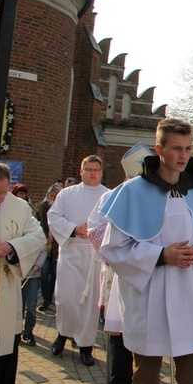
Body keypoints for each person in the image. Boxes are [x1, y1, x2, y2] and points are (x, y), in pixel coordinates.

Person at [99, 118, 193, 384]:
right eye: (177, 148)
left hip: (188, 298)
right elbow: (114, 248)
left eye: (189, 149)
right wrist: (160, 255)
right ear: (159, 149)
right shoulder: (132, 192)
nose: (183, 156)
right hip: (148, 300)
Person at [88, 143, 152, 384]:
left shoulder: (160, 197)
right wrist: (122, 250)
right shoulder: (111, 196)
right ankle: (121, 383)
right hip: (119, 271)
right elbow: (94, 229)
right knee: (119, 327)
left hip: (151, 269)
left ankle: (145, 380)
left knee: (146, 325)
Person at [0, 163, 46, 384]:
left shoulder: (19, 206)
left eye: (3, 193)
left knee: (3, 338)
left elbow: (38, 236)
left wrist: (9, 247)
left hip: (5, 284)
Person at [47, 155, 109, 365]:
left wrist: (93, 233)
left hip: (94, 257)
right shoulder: (67, 194)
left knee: (90, 303)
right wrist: (74, 229)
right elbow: (53, 216)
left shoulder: (109, 196)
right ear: (81, 171)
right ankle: (63, 334)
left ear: (101, 172)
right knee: (65, 298)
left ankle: (86, 345)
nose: (92, 173)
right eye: (88, 169)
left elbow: (114, 225)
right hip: (72, 251)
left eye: (96, 170)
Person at [37, 183, 61, 311]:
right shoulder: (42, 208)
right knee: (44, 272)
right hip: (45, 244)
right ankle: (45, 298)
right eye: (50, 196)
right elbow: (38, 223)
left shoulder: (62, 209)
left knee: (54, 272)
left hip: (57, 246)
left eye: (55, 196)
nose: (52, 198)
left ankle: (52, 296)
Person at [20, 246, 47, 346]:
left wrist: (38, 264)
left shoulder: (37, 231)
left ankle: (28, 333)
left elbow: (43, 250)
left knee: (31, 307)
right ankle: (17, 331)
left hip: (33, 274)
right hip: (19, 273)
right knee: (19, 306)